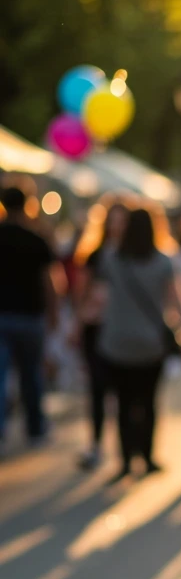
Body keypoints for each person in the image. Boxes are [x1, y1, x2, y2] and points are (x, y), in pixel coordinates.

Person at [98, 206, 181, 481]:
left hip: (116, 341)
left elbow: (99, 298)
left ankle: (125, 459)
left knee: (122, 402)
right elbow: (177, 300)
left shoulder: (111, 259)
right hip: (150, 344)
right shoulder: (164, 262)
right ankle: (148, 455)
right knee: (148, 401)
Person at [0, 183, 62, 450]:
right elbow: (49, 281)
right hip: (30, 317)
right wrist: (54, 313)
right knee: (31, 374)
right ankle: (35, 427)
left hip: (2, 316)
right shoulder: (36, 238)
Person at [71, 198, 130, 469]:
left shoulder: (137, 254)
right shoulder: (95, 254)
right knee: (97, 388)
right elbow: (81, 293)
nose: (117, 226)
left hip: (125, 330)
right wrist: (77, 324)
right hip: (97, 328)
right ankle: (95, 443)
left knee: (125, 391)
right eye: (113, 220)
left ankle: (126, 448)